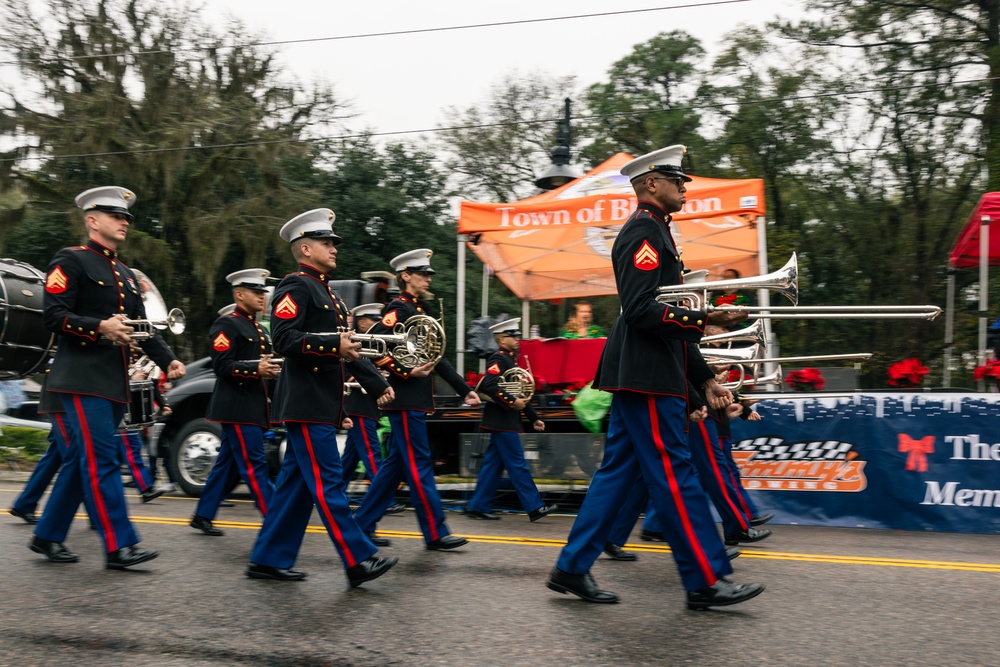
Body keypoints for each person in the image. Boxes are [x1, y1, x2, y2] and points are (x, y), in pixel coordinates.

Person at [546, 145, 765, 610]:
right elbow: (643, 311)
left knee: (616, 476)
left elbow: (669, 321)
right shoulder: (644, 233)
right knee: (675, 472)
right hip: (647, 375)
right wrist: (707, 320)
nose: (685, 185)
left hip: (648, 370)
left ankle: (571, 567)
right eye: (677, 178)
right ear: (651, 183)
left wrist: (704, 379)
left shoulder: (657, 232)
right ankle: (704, 579)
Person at [31, 185, 185, 569]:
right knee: (101, 460)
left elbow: (142, 327)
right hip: (80, 378)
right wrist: (99, 326)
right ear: (92, 220)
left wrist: (169, 361)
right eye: (116, 216)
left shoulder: (125, 274)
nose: (124, 223)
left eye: (126, 218)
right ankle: (120, 545)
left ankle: (47, 535)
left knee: (80, 460)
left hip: (112, 380)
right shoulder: (70, 260)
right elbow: (53, 316)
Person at [247, 208, 397, 587]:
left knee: (296, 487)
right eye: (326, 242)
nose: (333, 248)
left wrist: (378, 384)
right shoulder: (295, 287)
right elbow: (283, 339)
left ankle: (268, 558)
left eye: (333, 242)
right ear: (304, 248)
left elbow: (348, 350)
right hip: (306, 401)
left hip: (318, 402)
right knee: (329, 483)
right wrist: (333, 343)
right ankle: (357, 558)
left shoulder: (326, 292)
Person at [352, 248, 481, 551]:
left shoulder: (418, 311)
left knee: (394, 468)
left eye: (428, 273)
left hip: (414, 399)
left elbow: (437, 358)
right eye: (422, 273)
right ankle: (435, 532)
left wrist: (464, 389)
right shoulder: (398, 309)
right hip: (406, 398)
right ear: (405, 276)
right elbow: (376, 346)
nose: (427, 278)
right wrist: (406, 371)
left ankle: (361, 525)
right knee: (419, 463)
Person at [189, 269, 281, 536]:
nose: (262, 297)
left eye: (263, 292)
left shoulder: (259, 330)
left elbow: (269, 369)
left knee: (226, 465)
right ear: (239, 294)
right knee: (254, 464)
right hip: (237, 406)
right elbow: (222, 366)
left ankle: (203, 515)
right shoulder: (227, 324)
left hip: (251, 405)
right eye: (256, 292)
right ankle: (275, 518)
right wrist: (256, 371)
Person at [465, 317, 556, 521]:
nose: (517, 339)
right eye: (512, 336)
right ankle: (534, 507)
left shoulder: (510, 360)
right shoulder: (498, 359)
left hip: (502, 420)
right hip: (502, 420)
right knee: (517, 464)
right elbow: (489, 384)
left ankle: (478, 506)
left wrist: (533, 417)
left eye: (517, 335)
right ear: (501, 339)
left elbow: (522, 392)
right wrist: (512, 401)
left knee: (493, 465)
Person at [341, 303, 406, 515]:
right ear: (361, 322)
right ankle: (384, 498)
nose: (378, 324)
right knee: (372, 453)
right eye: (373, 320)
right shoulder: (353, 343)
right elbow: (345, 373)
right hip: (358, 405)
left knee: (350, 458)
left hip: (365, 404)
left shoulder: (371, 344)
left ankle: (333, 492)